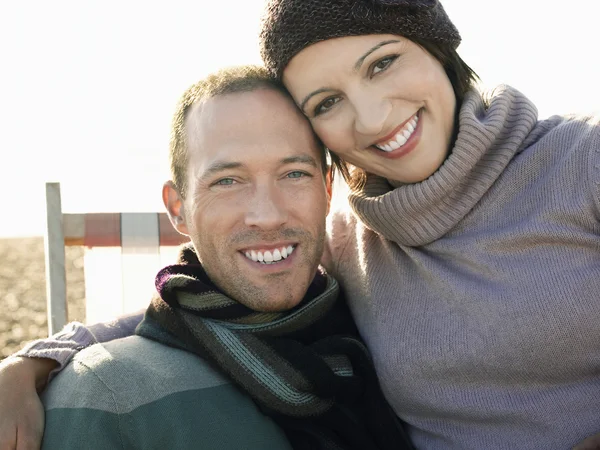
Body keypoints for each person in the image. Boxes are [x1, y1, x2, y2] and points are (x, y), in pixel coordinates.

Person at [1, 0, 600, 448]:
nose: (371, 117)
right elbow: (194, 301)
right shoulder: (348, 235)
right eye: (326, 104)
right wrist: (34, 359)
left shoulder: (583, 160)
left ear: (439, 49)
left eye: (383, 63)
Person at [0, 65, 411, 450]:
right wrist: (26, 364)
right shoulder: (107, 397)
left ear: (326, 191)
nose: (267, 215)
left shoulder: (375, 306)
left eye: (293, 174)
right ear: (178, 208)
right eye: (227, 181)